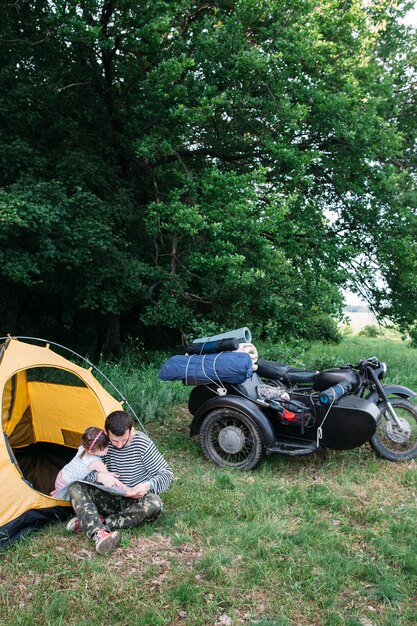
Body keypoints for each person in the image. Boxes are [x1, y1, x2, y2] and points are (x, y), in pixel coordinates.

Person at [66, 410, 173, 555]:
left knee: (155, 503)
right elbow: (81, 472)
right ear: (107, 433)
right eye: (114, 441)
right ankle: (99, 534)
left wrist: (148, 485)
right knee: (75, 487)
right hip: (110, 497)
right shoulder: (103, 444)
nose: (119, 445)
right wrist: (99, 477)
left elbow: (167, 473)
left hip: (135, 501)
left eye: (124, 439)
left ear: (130, 430)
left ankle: (94, 522)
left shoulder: (142, 443)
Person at [51, 427, 121, 499]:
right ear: (91, 452)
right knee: (72, 496)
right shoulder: (96, 462)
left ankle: (57, 491)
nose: (108, 449)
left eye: (107, 445)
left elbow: (95, 438)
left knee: (61, 488)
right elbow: (108, 477)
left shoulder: (83, 448)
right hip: (65, 485)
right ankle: (58, 495)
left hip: (61, 476)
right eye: (103, 449)